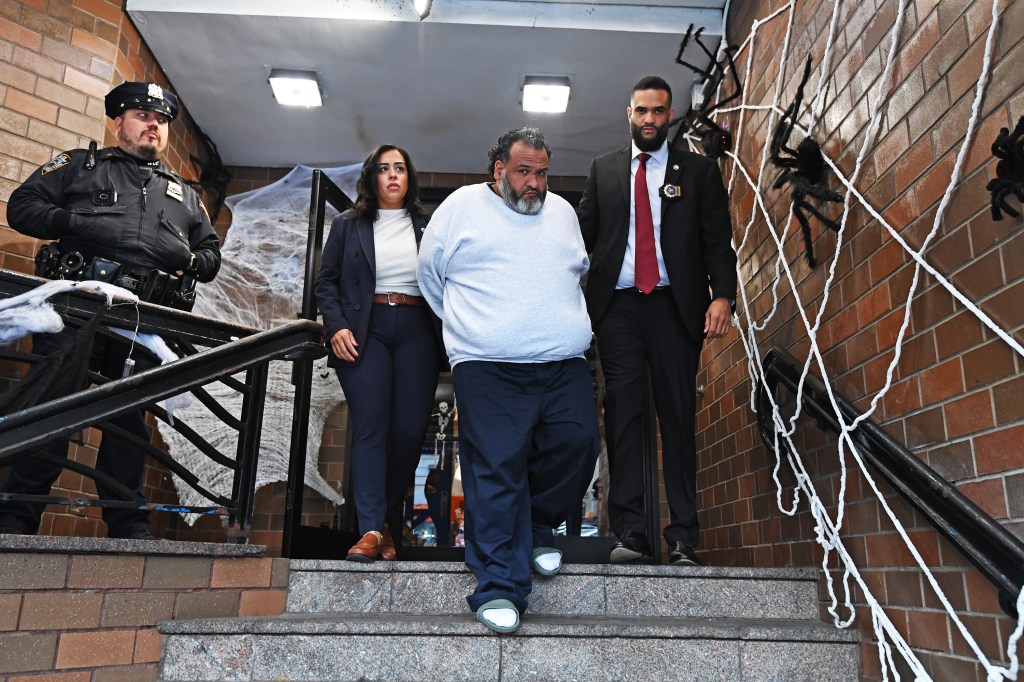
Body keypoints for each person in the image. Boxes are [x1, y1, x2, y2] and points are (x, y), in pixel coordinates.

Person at [0, 81, 221, 540]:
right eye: (143, 116)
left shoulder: (184, 194)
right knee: (52, 406)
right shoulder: (82, 166)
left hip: (141, 319)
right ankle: (18, 515)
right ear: (118, 122)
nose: (154, 125)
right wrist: (70, 221)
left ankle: (128, 523)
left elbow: (211, 253)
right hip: (77, 307)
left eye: (161, 120)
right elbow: (21, 207)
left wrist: (192, 261)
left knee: (128, 426)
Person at [417, 127, 599, 634]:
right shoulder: (460, 207)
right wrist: (476, 329)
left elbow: (574, 273)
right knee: (496, 469)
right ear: (498, 170)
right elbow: (432, 277)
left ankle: (537, 526)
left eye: (541, 172)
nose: (534, 183)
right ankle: (498, 585)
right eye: (523, 171)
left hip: (562, 364)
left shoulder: (562, 212)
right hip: (488, 364)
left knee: (577, 444)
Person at [577, 76, 737, 567]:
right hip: (618, 307)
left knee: (678, 417)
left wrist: (723, 296)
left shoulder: (700, 171)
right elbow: (579, 241)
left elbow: (716, 241)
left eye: (659, 112)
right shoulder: (603, 170)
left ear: (670, 116)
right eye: (642, 111)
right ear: (629, 114)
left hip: (675, 305)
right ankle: (630, 532)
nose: (650, 120)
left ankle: (684, 536)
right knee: (623, 413)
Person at [315, 145, 442, 562]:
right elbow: (326, 282)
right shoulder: (347, 224)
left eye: (400, 168)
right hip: (364, 330)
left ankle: (386, 518)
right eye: (384, 169)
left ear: (410, 177)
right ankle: (370, 529)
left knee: (408, 432)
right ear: (372, 177)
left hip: (417, 328)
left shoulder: (429, 225)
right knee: (371, 426)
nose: (392, 175)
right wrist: (336, 327)